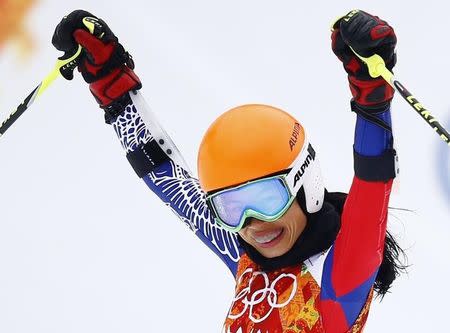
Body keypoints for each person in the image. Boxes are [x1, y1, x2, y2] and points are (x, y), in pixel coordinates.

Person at [52, 8, 406, 333]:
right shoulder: (245, 256)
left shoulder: (338, 279)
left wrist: (372, 97)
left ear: (305, 183)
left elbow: (372, 185)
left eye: (267, 199)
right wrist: (111, 84)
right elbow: (162, 172)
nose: (253, 224)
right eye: (231, 208)